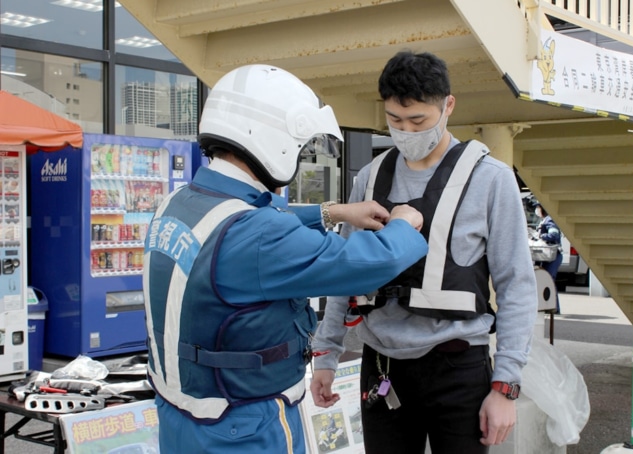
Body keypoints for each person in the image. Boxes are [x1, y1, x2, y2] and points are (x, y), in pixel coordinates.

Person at [142, 64, 429, 454]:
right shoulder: (257, 236)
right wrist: (403, 225)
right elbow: (364, 265)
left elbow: (249, 222)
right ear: (272, 139)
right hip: (243, 427)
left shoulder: (180, 203)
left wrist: (335, 212)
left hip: (182, 416)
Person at [310, 50, 538, 454]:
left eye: (418, 121)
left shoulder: (491, 179)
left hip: (458, 365)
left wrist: (505, 385)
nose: (406, 131)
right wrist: (326, 355)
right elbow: (343, 275)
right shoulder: (369, 178)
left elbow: (517, 285)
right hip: (381, 365)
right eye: (395, 121)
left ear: (448, 106)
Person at [532, 200, 563, 312]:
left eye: (538, 207)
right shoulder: (544, 220)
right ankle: (551, 306)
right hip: (548, 256)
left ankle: (554, 308)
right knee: (547, 280)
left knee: (549, 280)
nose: (537, 210)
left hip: (553, 256)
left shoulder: (549, 220)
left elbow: (554, 234)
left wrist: (541, 235)